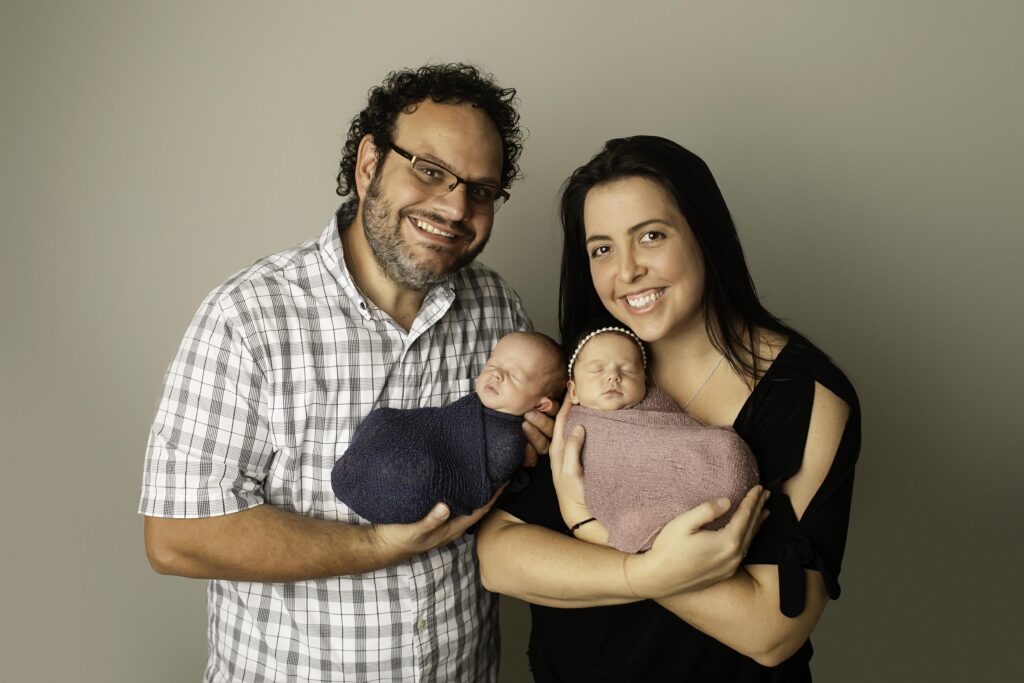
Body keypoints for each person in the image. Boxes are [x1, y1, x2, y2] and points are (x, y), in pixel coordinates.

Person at [139, 64, 556, 683]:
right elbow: (176, 537)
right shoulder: (248, 317)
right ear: (369, 165)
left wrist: (528, 459)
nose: (454, 206)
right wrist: (378, 546)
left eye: (482, 190)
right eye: (431, 170)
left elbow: (509, 499)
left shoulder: (499, 311)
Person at [478, 136, 860, 681]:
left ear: (705, 235)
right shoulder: (584, 371)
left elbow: (772, 630)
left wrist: (591, 529)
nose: (626, 271)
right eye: (602, 249)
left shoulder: (808, 395)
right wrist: (649, 572)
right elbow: (499, 557)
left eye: (651, 236)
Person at [562, 323, 759, 553]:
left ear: (644, 380)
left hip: (704, 467)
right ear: (573, 391)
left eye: (627, 370)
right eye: (597, 370)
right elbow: (603, 474)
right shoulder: (577, 428)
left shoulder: (657, 404)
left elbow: (684, 432)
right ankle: (663, 522)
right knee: (634, 522)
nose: (613, 377)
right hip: (651, 506)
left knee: (724, 447)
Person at [332, 331, 566, 523]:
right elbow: (439, 423)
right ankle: (360, 465)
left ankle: (363, 477)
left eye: (514, 375)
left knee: (421, 474)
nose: (497, 375)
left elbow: (473, 481)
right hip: (430, 433)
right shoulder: (476, 405)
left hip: (438, 466)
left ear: (541, 405)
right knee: (382, 419)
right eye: (493, 364)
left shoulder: (510, 440)